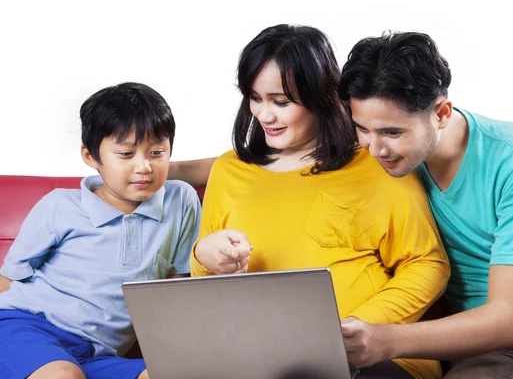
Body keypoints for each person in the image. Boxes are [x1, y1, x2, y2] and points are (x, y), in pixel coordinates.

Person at [171, 24, 450, 379]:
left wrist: (358, 329)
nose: (264, 115)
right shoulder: (229, 171)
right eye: (255, 98)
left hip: (375, 358)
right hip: (264, 360)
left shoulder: (377, 161)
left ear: (321, 96)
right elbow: (207, 287)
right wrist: (203, 256)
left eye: (281, 102)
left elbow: (427, 265)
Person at [337, 31, 513, 378]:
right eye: (363, 129)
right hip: (497, 357)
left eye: (392, 132)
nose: (374, 148)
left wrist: (383, 340)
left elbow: (507, 320)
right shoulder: (381, 166)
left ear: (442, 112)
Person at [0, 82, 201, 379]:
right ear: (91, 156)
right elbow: (8, 278)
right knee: (62, 375)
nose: (144, 166)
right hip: (28, 326)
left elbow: (175, 290)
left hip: (99, 353)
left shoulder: (181, 201)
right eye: (126, 154)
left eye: (157, 152)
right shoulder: (60, 206)